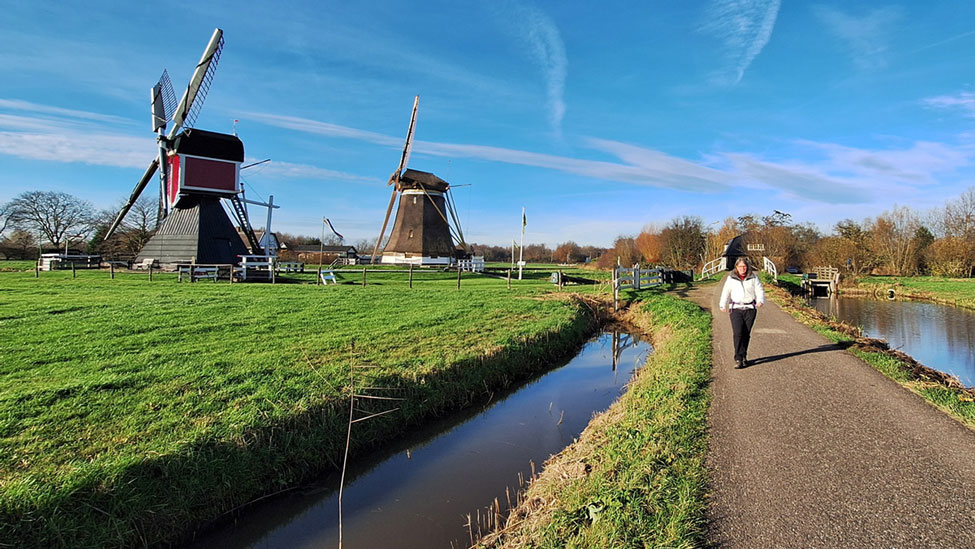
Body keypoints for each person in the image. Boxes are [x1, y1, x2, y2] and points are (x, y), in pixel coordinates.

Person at [719, 257, 765, 368]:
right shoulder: (731, 278)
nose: (742, 269)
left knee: (746, 334)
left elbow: (759, 290)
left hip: (750, 309)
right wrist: (722, 304)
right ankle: (738, 358)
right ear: (736, 267)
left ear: (747, 267)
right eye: (740, 266)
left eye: (744, 266)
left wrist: (760, 300)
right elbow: (726, 291)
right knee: (738, 333)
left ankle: (744, 356)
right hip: (736, 309)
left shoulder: (753, 278)